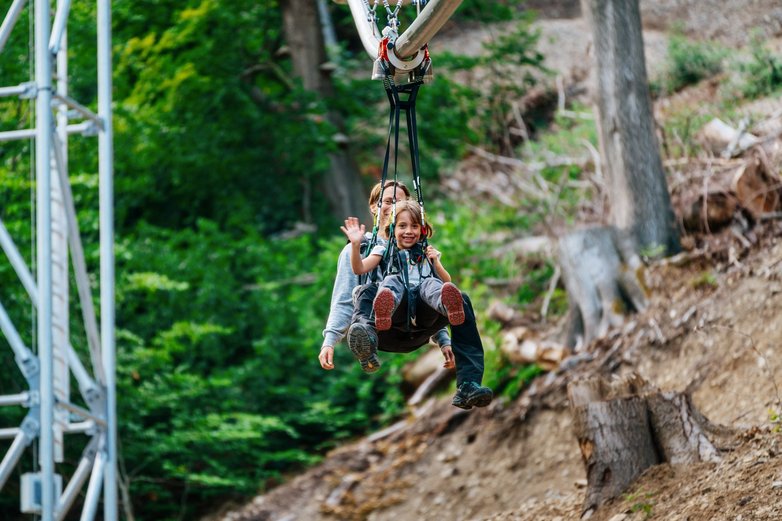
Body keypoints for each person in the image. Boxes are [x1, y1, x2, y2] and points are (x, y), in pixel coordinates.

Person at [319, 181, 492, 409]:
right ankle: (365, 342)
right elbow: (343, 299)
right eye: (389, 201)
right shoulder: (363, 248)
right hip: (384, 329)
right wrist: (329, 340)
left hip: (419, 325)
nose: (395, 205)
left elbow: (429, 290)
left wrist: (443, 340)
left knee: (459, 298)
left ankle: (468, 384)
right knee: (368, 290)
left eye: (400, 201)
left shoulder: (418, 247)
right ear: (374, 207)